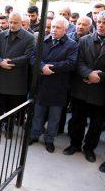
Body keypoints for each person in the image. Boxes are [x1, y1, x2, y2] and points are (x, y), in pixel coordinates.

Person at [64, 11, 105, 169]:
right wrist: (88, 73)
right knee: (77, 119)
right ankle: (75, 144)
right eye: (99, 22)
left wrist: (100, 77)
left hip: (101, 90)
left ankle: (89, 149)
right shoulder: (84, 40)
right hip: (81, 87)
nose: (101, 25)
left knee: (96, 124)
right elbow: (78, 61)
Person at [30, 16, 78, 153]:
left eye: (57, 27)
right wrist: (42, 66)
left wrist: (51, 68)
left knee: (54, 118)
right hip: (42, 84)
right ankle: (34, 135)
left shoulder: (72, 45)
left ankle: (49, 140)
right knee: (38, 114)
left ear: (66, 30)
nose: (54, 30)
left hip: (59, 87)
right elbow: (33, 57)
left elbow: (71, 63)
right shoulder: (42, 41)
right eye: (52, 27)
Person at [0, 12, 34, 137]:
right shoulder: (1, 35)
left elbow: (27, 56)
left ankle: (9, 129)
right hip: (1, 76)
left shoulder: (29, 37)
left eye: (16, 23)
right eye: (11, 22)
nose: (12, 25)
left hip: (17, 79)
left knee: (12, 107)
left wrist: (10, 62)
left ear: (21, 23)